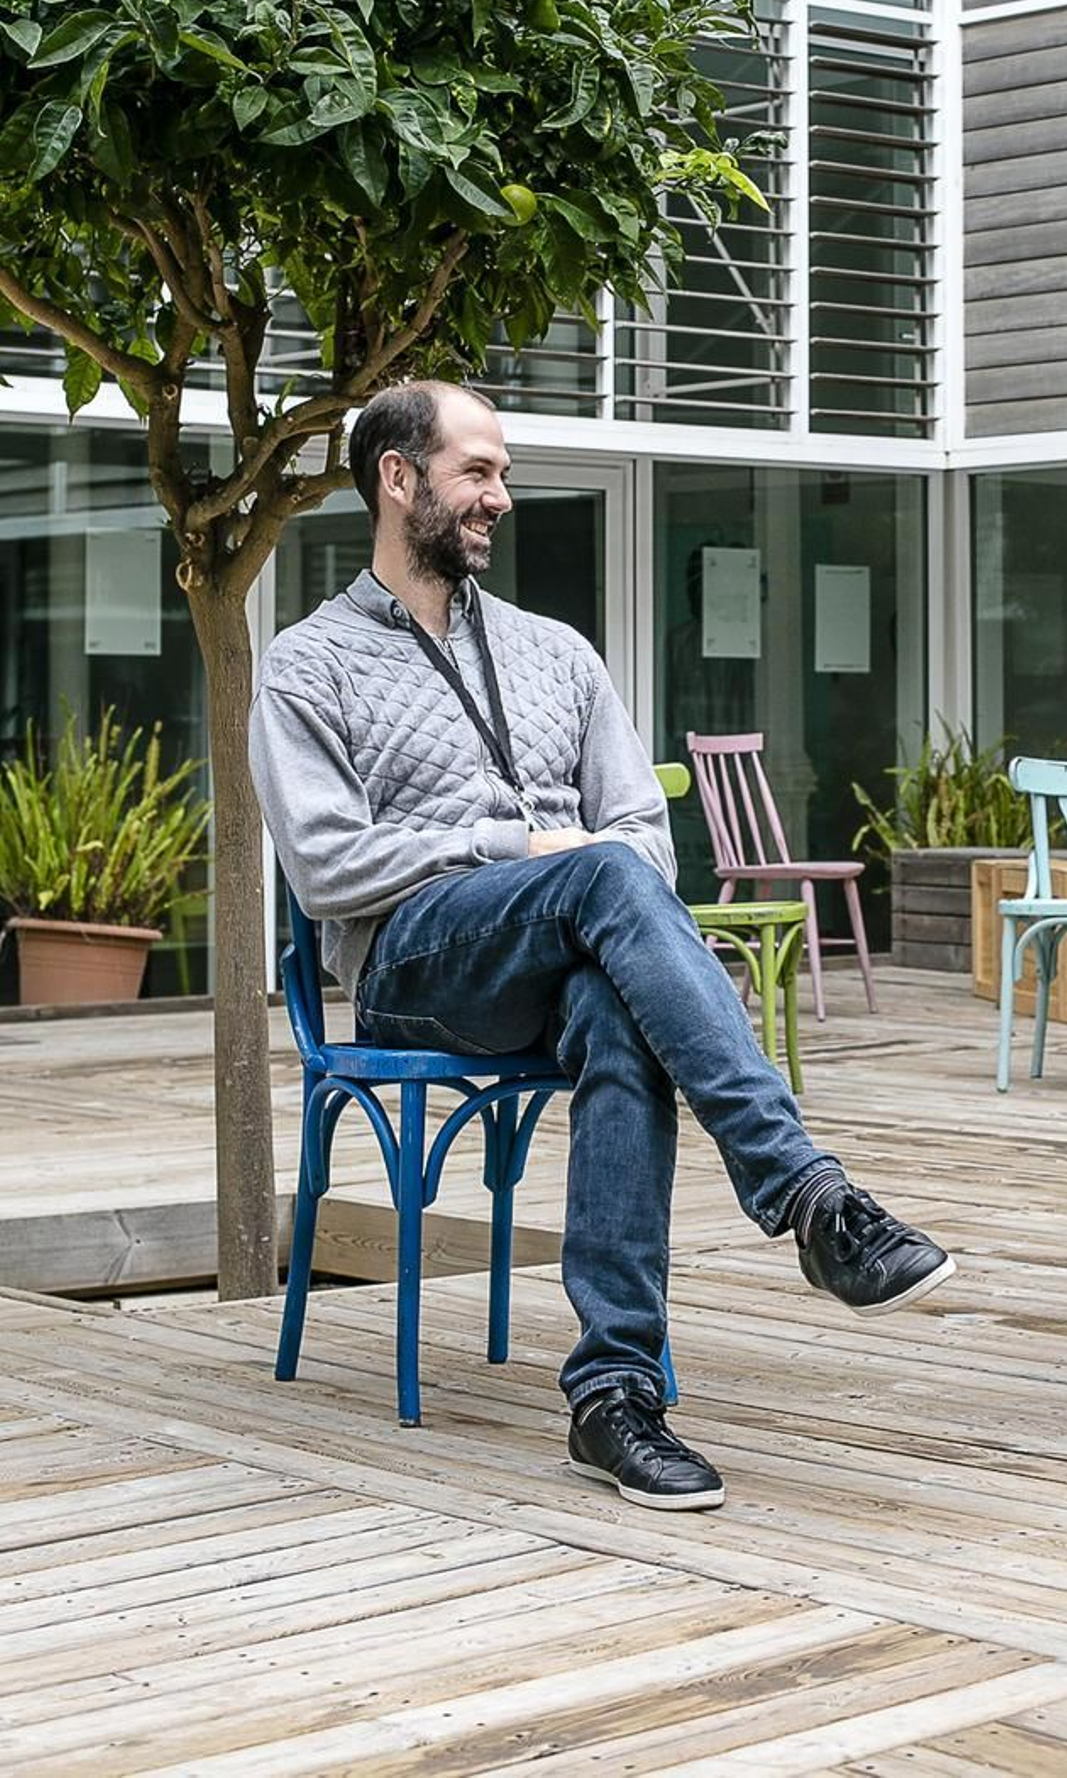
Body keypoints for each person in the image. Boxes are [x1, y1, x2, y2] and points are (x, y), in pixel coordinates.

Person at [249, 379, 954, 1511]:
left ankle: (613, 1396)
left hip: (566, 949)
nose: (500, 496)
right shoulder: (306, 662)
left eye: (504, 473)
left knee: (620, 1011)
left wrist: (571, 861)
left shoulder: (559, 654)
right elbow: (326, 866)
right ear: (398, 477)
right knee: (599, 874)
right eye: (478, 471)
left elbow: (643, 839)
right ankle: (807, 1194)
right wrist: (517, 846)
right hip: (416, 968)